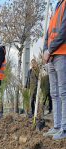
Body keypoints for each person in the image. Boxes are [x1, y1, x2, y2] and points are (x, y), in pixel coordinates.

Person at [43, 0, 66, 140]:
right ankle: (57, 126)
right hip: (51, 56)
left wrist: (50, 49)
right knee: (54, 93)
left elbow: (64, 30)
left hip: (61, 53)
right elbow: (48, 33)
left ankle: (64, 127)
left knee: (63, 92)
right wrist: (45, 49)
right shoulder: (56, 6)